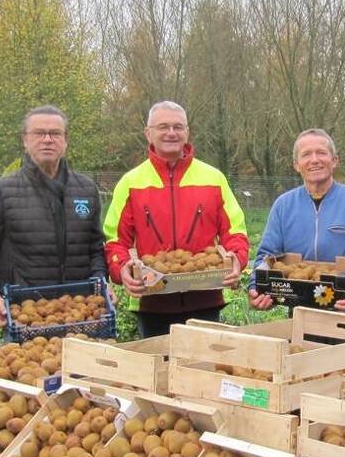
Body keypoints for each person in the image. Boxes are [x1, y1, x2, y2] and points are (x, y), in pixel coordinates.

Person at [105, 101, 249, 337]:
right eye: (163, 127)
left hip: (206, 299)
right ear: (148, 133)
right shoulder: (130, 183)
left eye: (177, 127)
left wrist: (236, 259)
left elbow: (235, 232)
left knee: (205, 369)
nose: (171, 133)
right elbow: (114, 240)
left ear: (187, 132)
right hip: (151, 303)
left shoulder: (214, 178)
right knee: (158, 370)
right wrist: (122, 268)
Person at [0, 106, 107, 326]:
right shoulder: (1, 192)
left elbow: (96, 249)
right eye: (39, 133)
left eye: (55, 133)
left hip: (81, 313)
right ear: (25, 140)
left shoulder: (86, 189)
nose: (48, 139)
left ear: (65, 140)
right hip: (25, 315)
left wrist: (100, 284)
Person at [248, 129, 345, 310]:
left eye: (321, 153)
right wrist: (255, 288)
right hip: (298, 307)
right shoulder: (283, 205)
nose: (314, 160)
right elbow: (266, 255)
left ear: (334, 160)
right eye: (306, 155)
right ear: (296, 165)